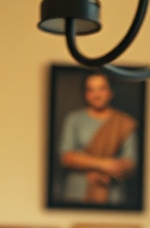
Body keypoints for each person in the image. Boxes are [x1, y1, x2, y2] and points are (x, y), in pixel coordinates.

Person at [57, 71, 138, 205]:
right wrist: (104, 165)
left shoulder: (124, 122)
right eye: (91, 90)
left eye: (102, 88)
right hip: (77, 194)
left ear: (111, 91)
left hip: (113, 196)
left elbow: (129, 163)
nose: (97, 95)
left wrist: (87, 162)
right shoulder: (74, 119)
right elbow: (67, 157)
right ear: (85, 93)